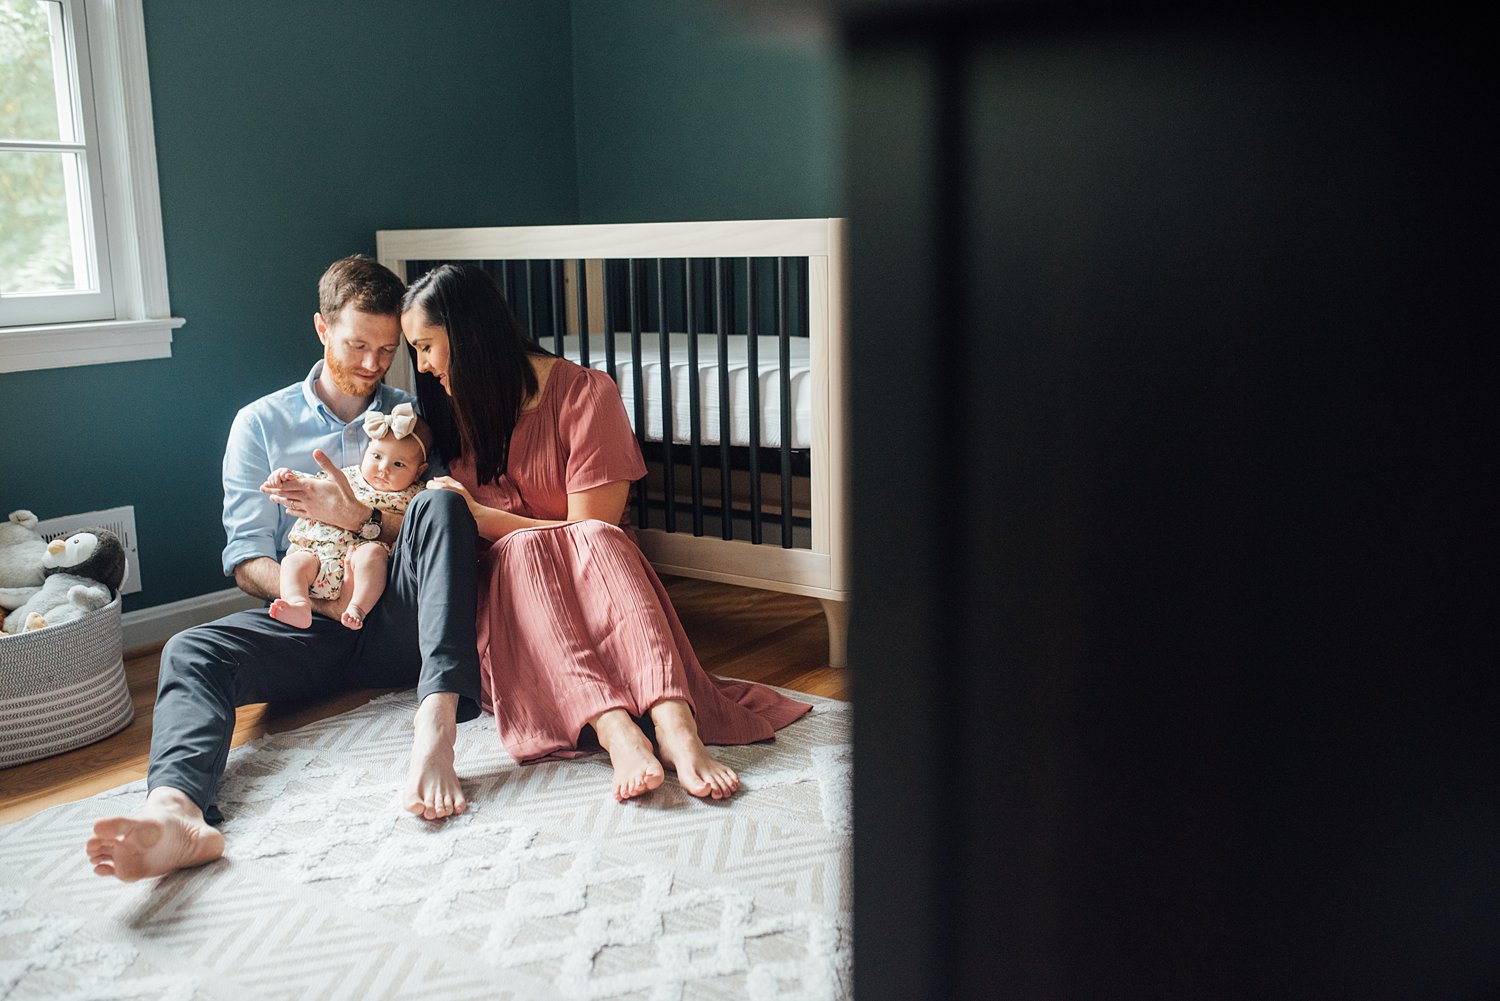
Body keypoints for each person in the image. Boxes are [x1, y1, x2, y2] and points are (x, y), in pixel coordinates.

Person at [86, 256, 482, 883]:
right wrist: (319, 603)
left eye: (387, 350)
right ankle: (177, 813)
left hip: (407, 619)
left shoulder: (413, 419)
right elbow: (245, 560)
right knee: (189, 649)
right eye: (357, 345)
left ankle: (435, 729)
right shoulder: (261, 424)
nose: (374, 365)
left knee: (442, 499)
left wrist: (361, 521)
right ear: (322, 329)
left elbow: (449, 534)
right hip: (314, 621)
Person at [401, 263, 812, 803]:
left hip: (595, 582)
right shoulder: (448, 414)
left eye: (427, 346)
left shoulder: (585, 394)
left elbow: (589, 526)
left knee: (598, 537)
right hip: (515, 613)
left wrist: (485, 517)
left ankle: (675, 724)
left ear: (467, 333)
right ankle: (615, 729)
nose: (424, 365)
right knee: (523, 550)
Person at [267, 404, 431, 630]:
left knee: (372, 555)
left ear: (419, 471)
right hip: (318, 559)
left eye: (398, 464)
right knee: (292, 562)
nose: (383, 469)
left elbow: (426, 524)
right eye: (376, 456)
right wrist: (285, 477)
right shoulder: (348, 476)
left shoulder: (415, 495)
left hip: (358, 563)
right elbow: (313, 487)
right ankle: (298, 604)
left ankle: (357, 608)